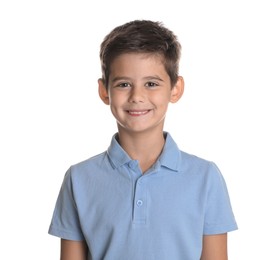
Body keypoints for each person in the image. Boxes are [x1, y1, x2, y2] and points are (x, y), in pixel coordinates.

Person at [48, 20, 238, 260]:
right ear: (104, 91)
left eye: (151, 83)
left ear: (175, 89)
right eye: (124, 84)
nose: (137, 96)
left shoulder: (206, 177)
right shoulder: (78, 179)